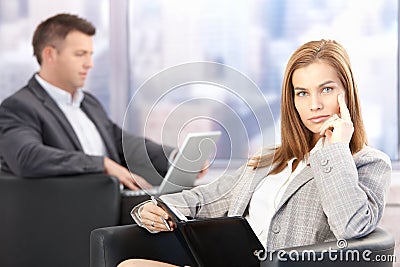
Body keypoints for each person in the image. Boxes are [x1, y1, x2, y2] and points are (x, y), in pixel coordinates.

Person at [118, 39, 392, 266]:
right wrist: (155, 209)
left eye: (327, 89)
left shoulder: (368, 163)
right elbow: (205, 198)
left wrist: (336, 149)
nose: (315, 104)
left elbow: (352, 228)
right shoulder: (270, 159)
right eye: (302, 93)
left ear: (348, 94)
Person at [0, 13, 178, 190]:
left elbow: (125, 144)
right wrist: (101, 164)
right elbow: (27, 157)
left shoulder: (88, 103)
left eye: (90, 54)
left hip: (112, 203)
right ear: (50, 54)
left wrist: (175, 157)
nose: (89, 64)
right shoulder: (18, 107)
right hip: (72, 210)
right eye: (80, 54)